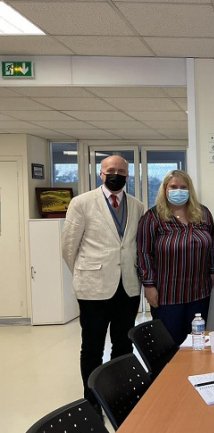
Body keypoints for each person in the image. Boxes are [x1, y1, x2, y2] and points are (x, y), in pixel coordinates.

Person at [61, 155, 144, 414]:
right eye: (111, 170)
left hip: (128, 287)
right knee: (93, 347)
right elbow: (69, 247)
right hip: (93, 289)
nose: (116, 174)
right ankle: (92, 401)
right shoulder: (82, 203)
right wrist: (87, 272)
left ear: (128, 175)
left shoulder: (137, 206)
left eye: (121, 171)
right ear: (101, 173)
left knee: (123, 344)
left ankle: (120, 394)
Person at [137, 170, 214, 345]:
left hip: (199, 291)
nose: (178, 191)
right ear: (165, 189)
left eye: (183, 187)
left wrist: (213, 272)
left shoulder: (203, 213)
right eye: (173, 187)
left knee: (196, 342)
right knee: (169, 343)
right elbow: (144, 253)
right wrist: (149, 285)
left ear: (190, 190)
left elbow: (212, 245)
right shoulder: (152, 217)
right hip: (168, 294)